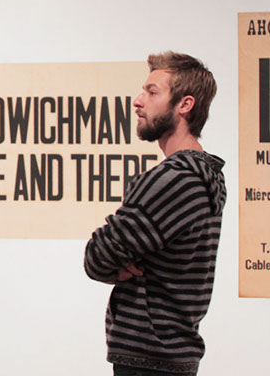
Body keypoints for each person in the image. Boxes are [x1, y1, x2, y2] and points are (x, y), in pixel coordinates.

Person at [84, 52, 226, 376]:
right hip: (170, 356)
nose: (138, 101)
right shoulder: (201, 176)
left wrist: (115, 264)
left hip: (149, 359)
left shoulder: (173, 179)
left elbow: (97, 256)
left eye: (152, 92)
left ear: (185, 105)